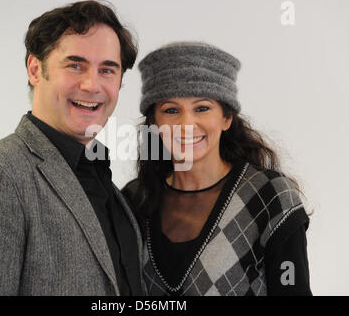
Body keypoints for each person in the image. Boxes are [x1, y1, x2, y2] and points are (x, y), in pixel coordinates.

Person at [0, 0, 145, 296]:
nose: (92, 85)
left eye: (107, 70)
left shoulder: (109, 186)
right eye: (76, 65)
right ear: (35, 69)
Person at [122, 41, 312, 296]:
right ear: (154, 123)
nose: (186, 124)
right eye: (171, 110)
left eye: (202, 108)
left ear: (226, 118)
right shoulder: (135, 199)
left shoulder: (270, 196)